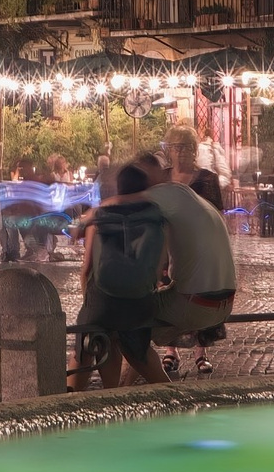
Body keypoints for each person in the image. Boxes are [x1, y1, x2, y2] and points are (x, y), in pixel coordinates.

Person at [72, 164, 174, 390]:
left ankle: (68, 400)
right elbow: (158, 271)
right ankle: (178, 399)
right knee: (139, 350)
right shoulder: (158, 221)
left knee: (86, 339)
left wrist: (89, 301)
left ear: (118, 188)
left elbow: (86, 270)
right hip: (138, 304)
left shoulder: (99, 219)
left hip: (102, 303)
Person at [139, 150, 236, 378]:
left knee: (130, 321)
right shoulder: (190, 197)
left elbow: (124, 207)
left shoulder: (162, 194)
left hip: (197, 304)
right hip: (225, 302)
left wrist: (89, 218)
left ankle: (151, 394)